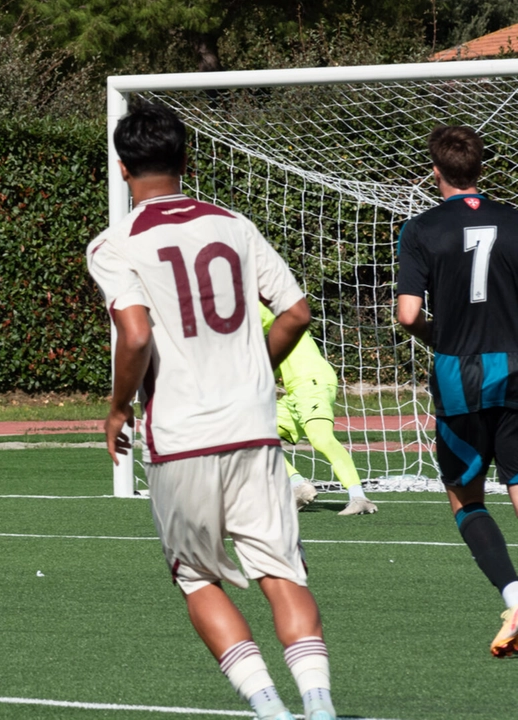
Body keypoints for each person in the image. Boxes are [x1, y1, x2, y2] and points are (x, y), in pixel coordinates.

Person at [89, 104, 336, 720]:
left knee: (198, 578)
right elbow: (297, 313)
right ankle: (320, 706)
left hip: (182, 434)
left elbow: (136, 335)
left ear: (122, 170)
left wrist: (118, 408)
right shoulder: (234, 224)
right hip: (254, 428)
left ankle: (272, 712)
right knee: (283, 572)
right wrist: (257, 366)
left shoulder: (115, 244)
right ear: (186, 161)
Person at [396, 124, 518, 658]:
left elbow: (407, 315)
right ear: (482, 170)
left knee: (465, 496)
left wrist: (439, 335)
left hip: (458, 375)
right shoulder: (516, 222)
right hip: (517, 367)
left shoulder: (421, 228)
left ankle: (515, 595)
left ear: (436, 172)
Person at [257, 304, 376, 515]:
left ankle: (358, 497)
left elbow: (258, 314)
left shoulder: (284, 323)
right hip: (294, 393)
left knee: (321, 438)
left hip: (312, 384)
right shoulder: (276, 338)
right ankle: (297, 486)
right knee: (254, 437)